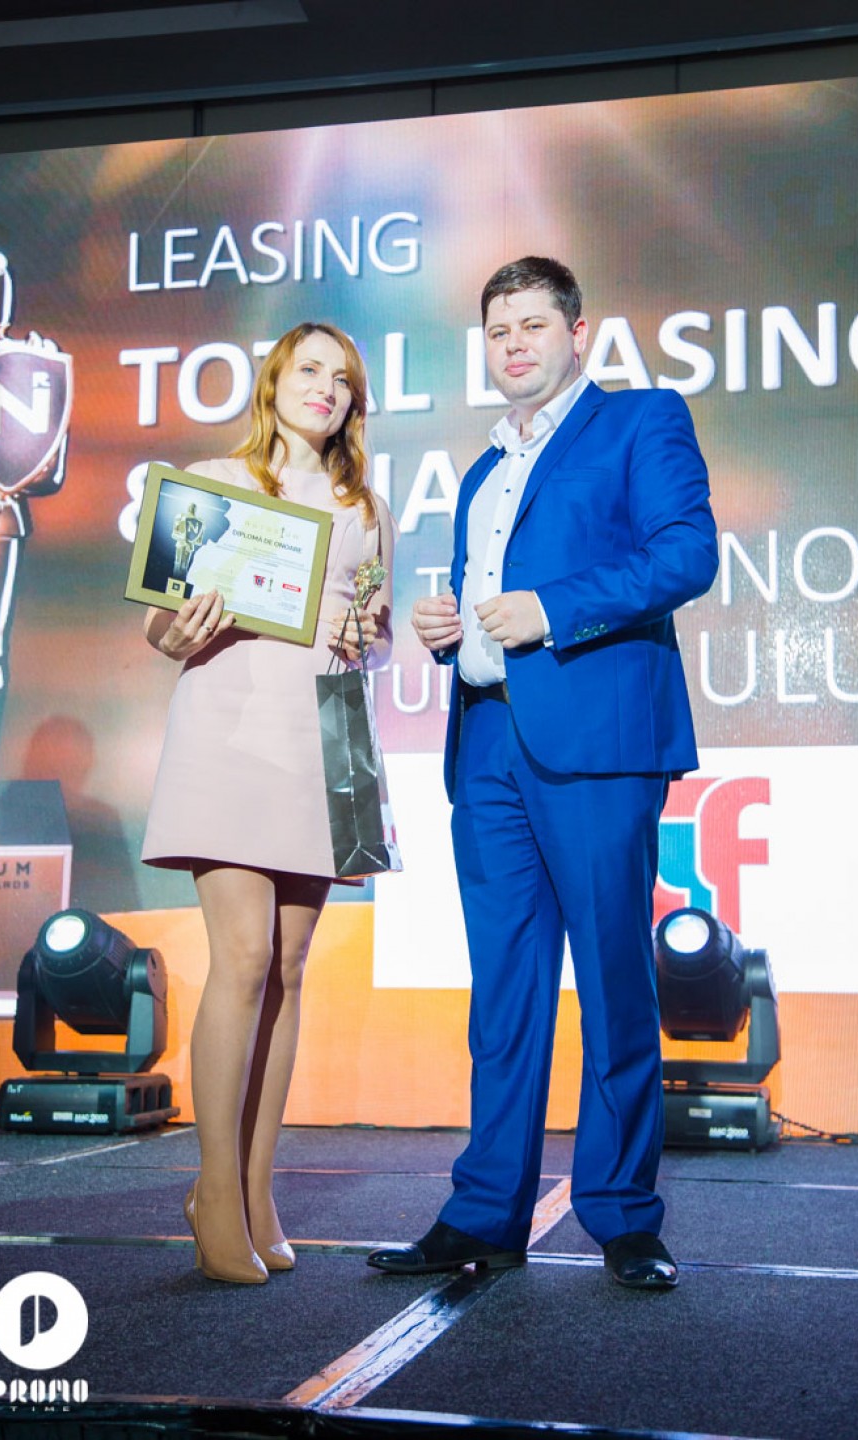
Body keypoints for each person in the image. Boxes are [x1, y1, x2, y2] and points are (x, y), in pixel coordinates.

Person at [367, 257, 717, 1290]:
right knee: (505, 993)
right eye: (498, 330)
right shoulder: (481, 469)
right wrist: (448, 629)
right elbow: (489, 605)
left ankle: (624, 1217)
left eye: (532, 324)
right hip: (487, 744)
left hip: (597, 744)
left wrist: (552, 610)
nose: (514, 343)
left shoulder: (641, 420)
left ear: (577, 333)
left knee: (613, 979)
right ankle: (486, 1211)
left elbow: (687, 555)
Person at [142, 322, 396, 1284]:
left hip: (327, 735)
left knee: (288, 968)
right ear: (275, 380)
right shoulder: (212, 482)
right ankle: (212, 1189)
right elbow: (163, 620)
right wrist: (173, 632)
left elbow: (373, 632)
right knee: (243, 958)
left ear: (354, 401)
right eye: (310, 369)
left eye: (343, 377)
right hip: (232, 726)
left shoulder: (366, 507)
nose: (325, 386)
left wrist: (370, 635)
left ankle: (255, 1191)